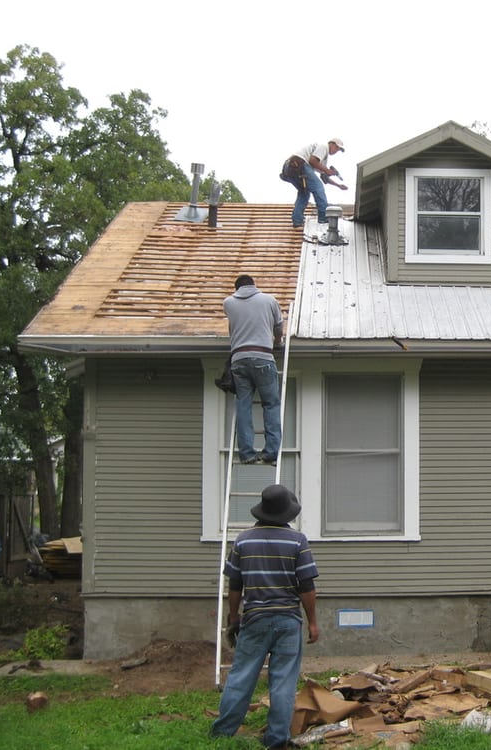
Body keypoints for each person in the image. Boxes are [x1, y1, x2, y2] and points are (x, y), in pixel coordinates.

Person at [210, 484, 319, 749]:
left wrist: (233, 616)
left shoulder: (243, 540)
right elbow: (306, 586)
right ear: (287, 513)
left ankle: (223, 734)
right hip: (288, 621)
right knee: (283, 681)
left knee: (241, 676)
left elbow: (235, 585)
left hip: (255, 619)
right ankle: (277, 740)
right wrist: (313, 622)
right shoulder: (297, 541)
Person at [224, 275, 284, 465]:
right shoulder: (269, 300)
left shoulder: (228, 303)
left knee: (243, 406)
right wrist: (277, 342)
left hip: (239, 359)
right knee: (271, 404)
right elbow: (279, 327)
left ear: (237, 288)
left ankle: (247, 453)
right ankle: (271, 452)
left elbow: (232, 328)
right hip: (263, 357)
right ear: (253, 285)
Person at [284, 138, 348, 228]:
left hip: (290, 169)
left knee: (304, 193)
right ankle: (323, 217)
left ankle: (297, 220)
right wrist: (327, 170)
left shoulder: (323, 159)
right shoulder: (323, 147)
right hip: (299, 163)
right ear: (332, 144)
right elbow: (312, 161)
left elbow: (324, 177)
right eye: (337, 148)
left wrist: (338, 185)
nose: (336, 151)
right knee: (318, 188)